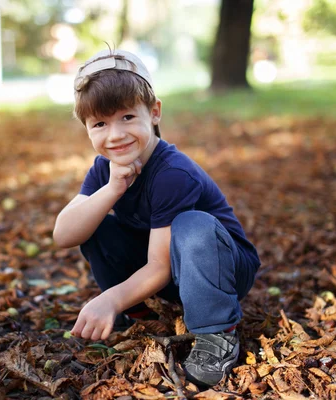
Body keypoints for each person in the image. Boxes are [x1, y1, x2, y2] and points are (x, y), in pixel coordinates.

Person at [53, 48, 261, 388]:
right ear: (87, 128)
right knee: (93, 222)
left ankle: (216, 334)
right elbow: (63, 234)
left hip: (221, 264)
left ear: (154, 112)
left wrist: (109, 298)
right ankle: (140, 316)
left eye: (127, 117)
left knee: (191, 226)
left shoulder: (172, 173)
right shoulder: (105, 168)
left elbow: (160, 266)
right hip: (173, 271)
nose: (115, 134)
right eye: (100, 124)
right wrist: (111, 190)